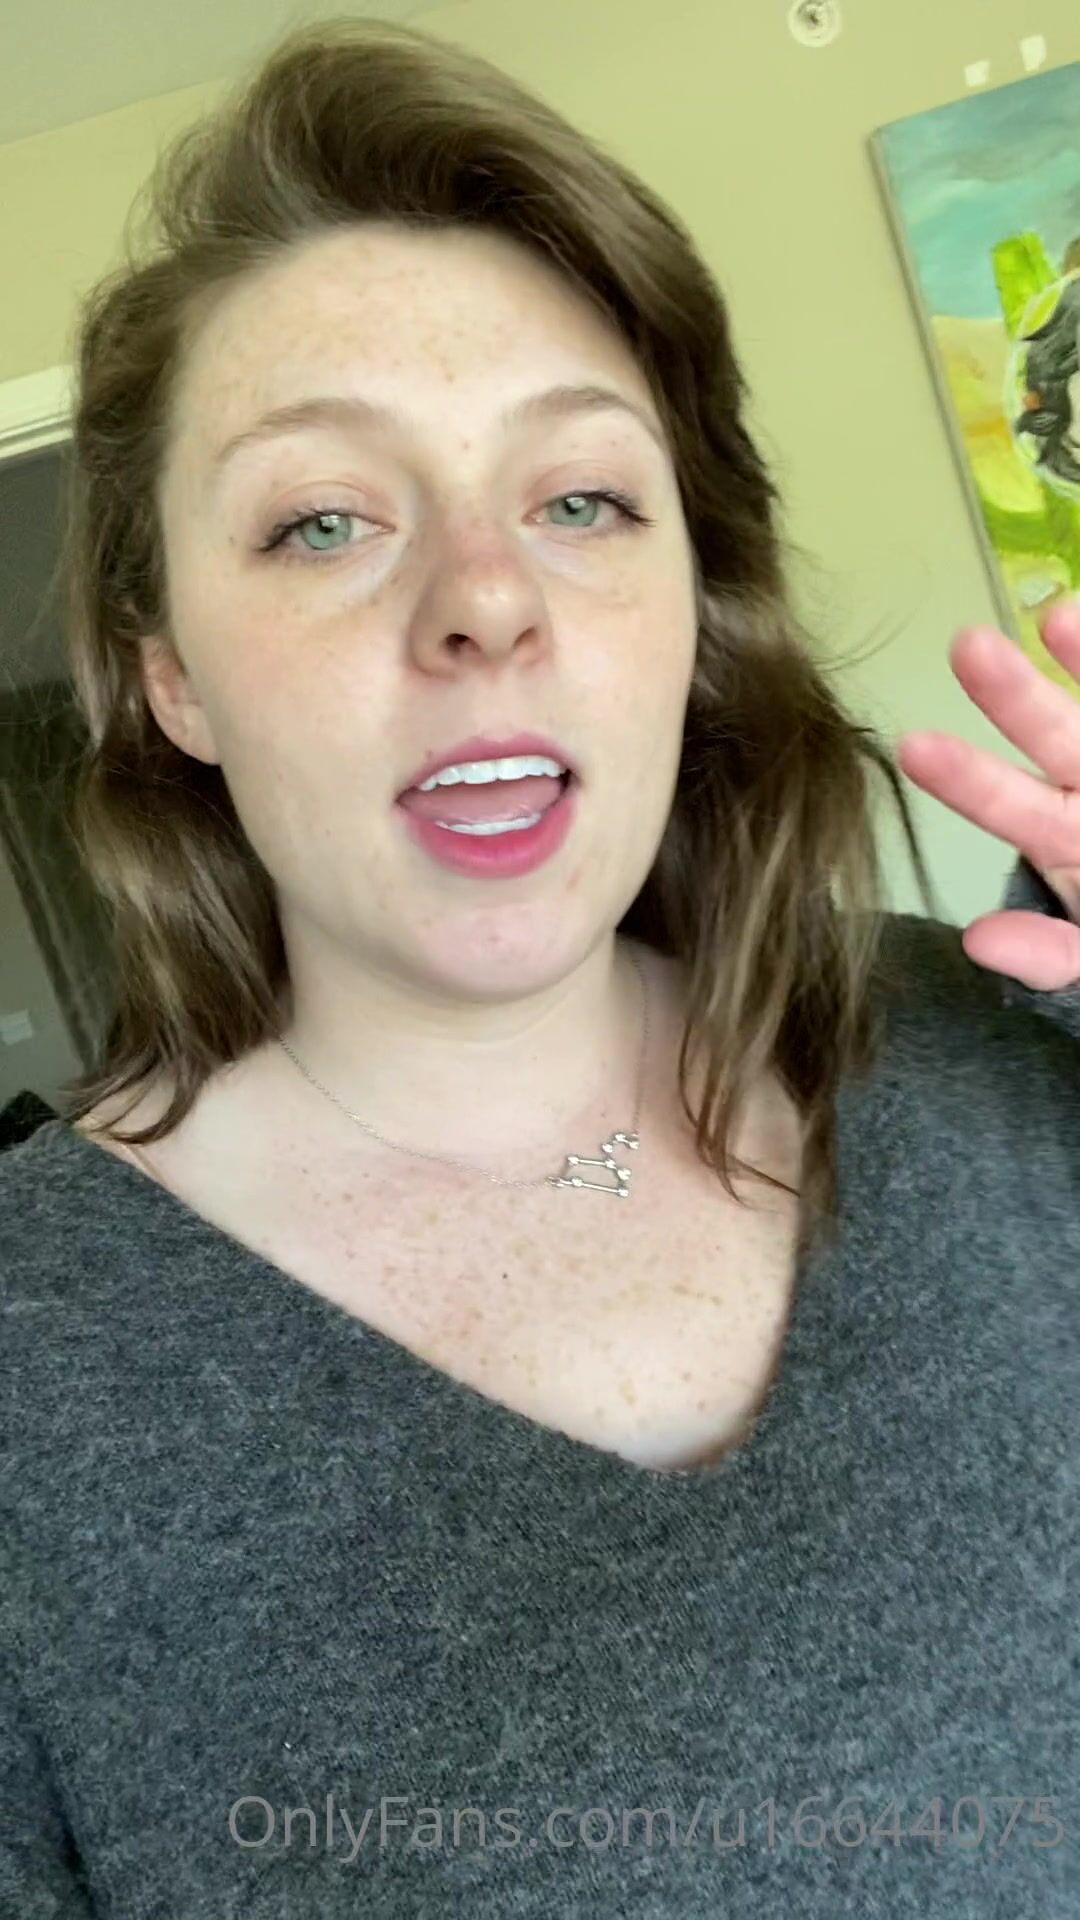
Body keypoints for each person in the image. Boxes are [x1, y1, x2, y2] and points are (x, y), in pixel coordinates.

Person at [1, 18, 1078, 1917]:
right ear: (173, 678)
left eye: (581, 499)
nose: (487, 599)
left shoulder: (1011, 1039)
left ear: (689, 609)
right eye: (323, 521)